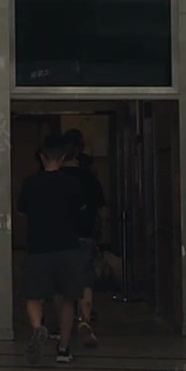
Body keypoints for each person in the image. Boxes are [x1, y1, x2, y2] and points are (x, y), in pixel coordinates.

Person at [19, 135, 88, 364]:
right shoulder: (73, 183)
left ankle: (38, 327)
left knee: (33, 296)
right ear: (63, 157)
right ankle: (63, 349)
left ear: (41, 157)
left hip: (38, 247)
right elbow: (82, 209)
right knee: (67, 298)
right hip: (67, 247)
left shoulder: (30, 183)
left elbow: (23, 211)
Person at [60, 129, 105, 348]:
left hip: (59, 234)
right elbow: (100, 205)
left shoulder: (55, 177)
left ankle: (62, 326)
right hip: (85, 233)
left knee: (61, 280)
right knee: (86, 277)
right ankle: (84, 319)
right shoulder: (88, 176)